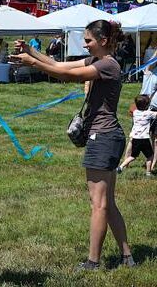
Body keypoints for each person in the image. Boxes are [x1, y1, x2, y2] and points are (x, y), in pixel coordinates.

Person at [10, 20, 135, 269]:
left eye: (88, 40)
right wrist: (31, 51)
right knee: (107, 202)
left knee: (98, 204)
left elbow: (66, 75)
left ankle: (93, 261)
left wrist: (32, 63)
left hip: (104, 137)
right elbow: (57, 64)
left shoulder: (108, 65)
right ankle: (127, 256)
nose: (85, 45)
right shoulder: (98, 62)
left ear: (103, 41)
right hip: (108, 137)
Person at [117, 95, 157, 176]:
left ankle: (120, 167)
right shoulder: (149, 113)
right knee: (150, 156)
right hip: (144, 139)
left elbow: (134, 110)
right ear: (147, 105)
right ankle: (148, 172)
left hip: (135, 138)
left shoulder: (135, 112)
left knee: (133, 156)